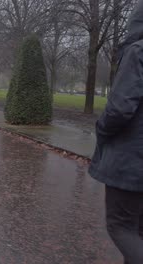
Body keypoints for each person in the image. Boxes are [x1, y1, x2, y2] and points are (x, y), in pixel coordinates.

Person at [89, 1, 143, 263]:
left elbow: (120, 108)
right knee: (138, 231)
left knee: (120, 226)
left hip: (132, 159)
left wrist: (101, 129)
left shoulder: (137, 51)